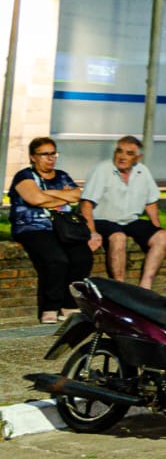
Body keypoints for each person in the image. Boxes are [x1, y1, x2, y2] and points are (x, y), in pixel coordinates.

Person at [10, 137, 93, 324]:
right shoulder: (24, 176)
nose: (50, 158)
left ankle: (70, 302)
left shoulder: (62, 175)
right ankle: (51, 306)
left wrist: (47, 194)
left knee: (82, 257)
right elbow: (35, 200)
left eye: (53, 154)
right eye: (45, 154)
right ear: (33, 157)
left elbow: (78, 195)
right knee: (56, 260)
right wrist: (63, 197)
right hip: (33, 227)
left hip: (63, 227)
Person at [78, 135, 166, 289]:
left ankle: (145, 286)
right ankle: (121, 287)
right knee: (118, 237)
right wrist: (92, 232)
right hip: (103, 220)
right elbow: (86, 204)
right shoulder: (102, 170)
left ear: (138, 157)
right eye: (119, 151)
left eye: (129, 153)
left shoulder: (143, 171)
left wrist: (156, 228)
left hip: (130, 220)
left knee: (162, 236)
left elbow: (151, 203)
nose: (122, 157)